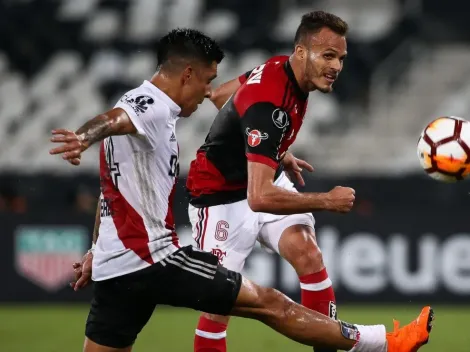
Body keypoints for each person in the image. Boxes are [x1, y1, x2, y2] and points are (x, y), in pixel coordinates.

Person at [50, 28, 434, 352]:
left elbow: (110, 193)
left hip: (116, 270)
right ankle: (386, 342)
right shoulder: (148, 106)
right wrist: (83, 137)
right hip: (156, 261)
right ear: (186, 74)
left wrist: (95, 251)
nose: (207, 93)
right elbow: (113, 119)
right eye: (205, 80)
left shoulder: (159, 116)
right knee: (271, 304)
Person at [184, 11, 420, 352]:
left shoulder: (279, 67)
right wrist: (327, 200)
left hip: (261, 180)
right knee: (218, 306)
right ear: (301, 53)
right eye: (327, 55)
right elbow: (260, 197)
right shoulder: (270, 105)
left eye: (340, 58)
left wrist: (268, 150)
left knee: (308, 254)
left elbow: (222, 96)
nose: (337, 66)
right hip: (220, 200)